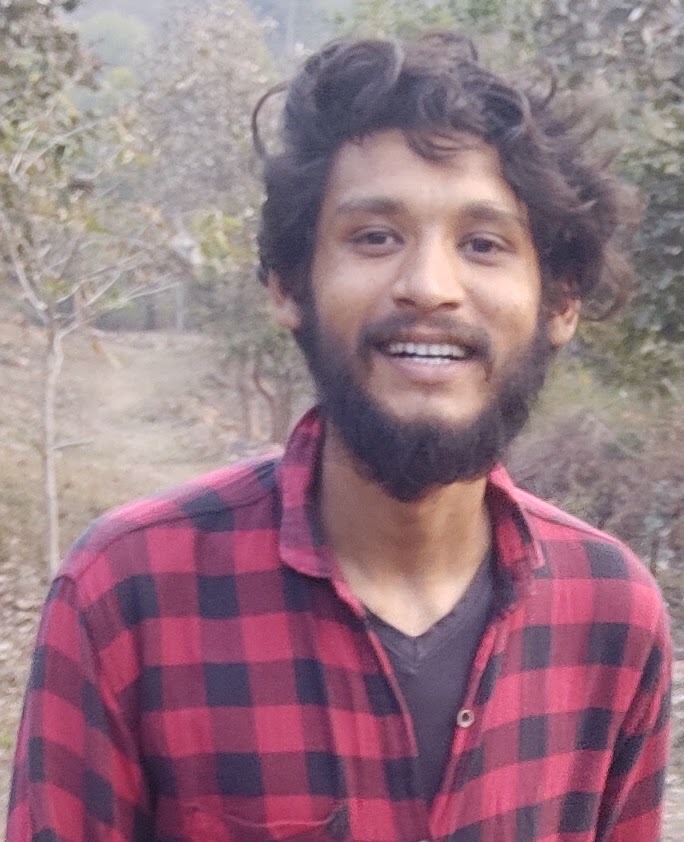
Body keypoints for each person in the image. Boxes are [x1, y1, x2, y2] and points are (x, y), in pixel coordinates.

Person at [7, 32, 671, 842]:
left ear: (559, 303)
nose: (429, 286)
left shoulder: (613, 615)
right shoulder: (127, 592)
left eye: (483, 244)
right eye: (375, 237)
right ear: (289, 285)